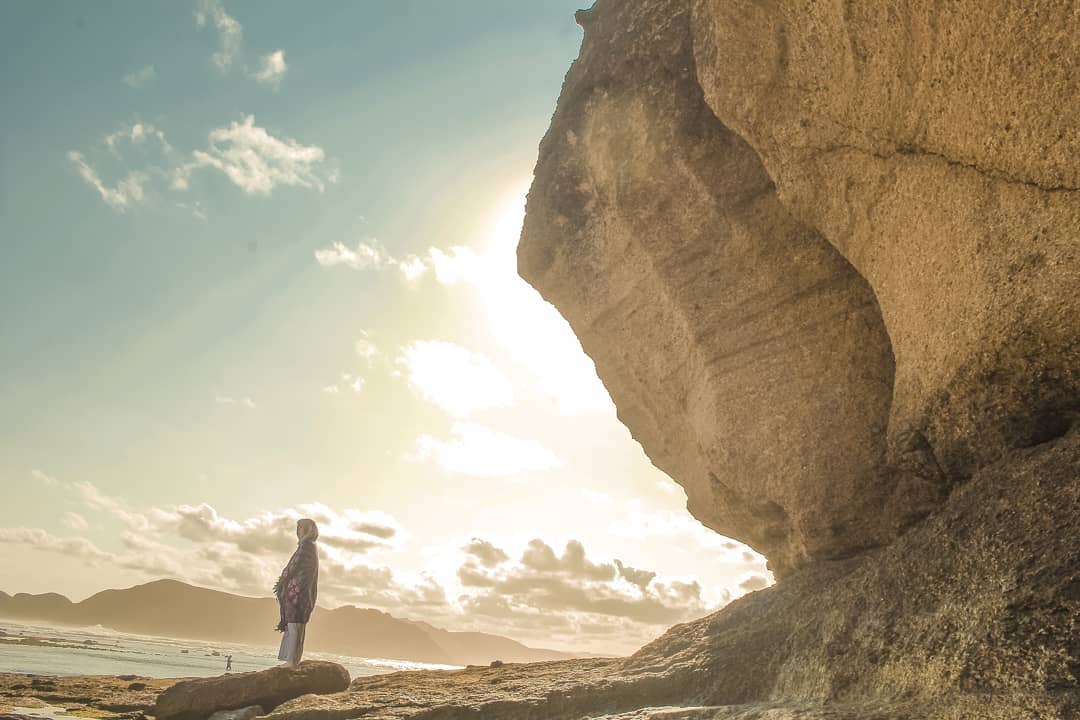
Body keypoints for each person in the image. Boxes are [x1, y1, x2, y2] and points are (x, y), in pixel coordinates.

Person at [273, 518, 319, 668]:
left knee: (295, 628)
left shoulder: (306, 546)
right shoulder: (311, 547)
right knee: (297, 629)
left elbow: (293, 566)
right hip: (302, 593)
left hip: (297, 594)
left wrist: (282, 581)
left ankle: (291, 662)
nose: (298, 531)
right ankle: (293, 661)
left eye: (301, 528)